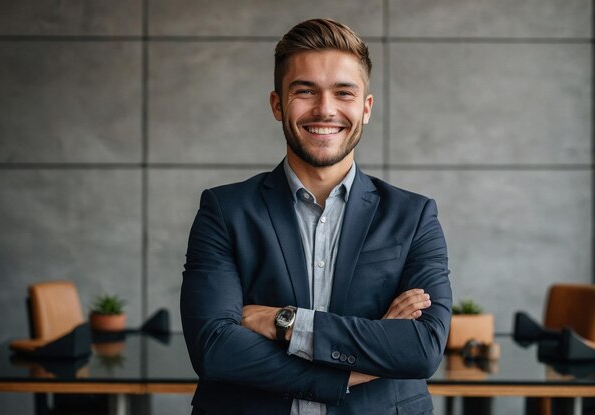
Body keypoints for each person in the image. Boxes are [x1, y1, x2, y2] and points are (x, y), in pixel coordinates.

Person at [181, 18, 452, 415]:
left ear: (366, 107)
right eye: (305, 91)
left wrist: (284, 322)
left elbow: (422, 349)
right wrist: (352, 368)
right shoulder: (225, 211)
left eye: (344, 93)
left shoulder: (413, 216)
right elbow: (215, 349)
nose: (325, 110)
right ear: (277, 104)